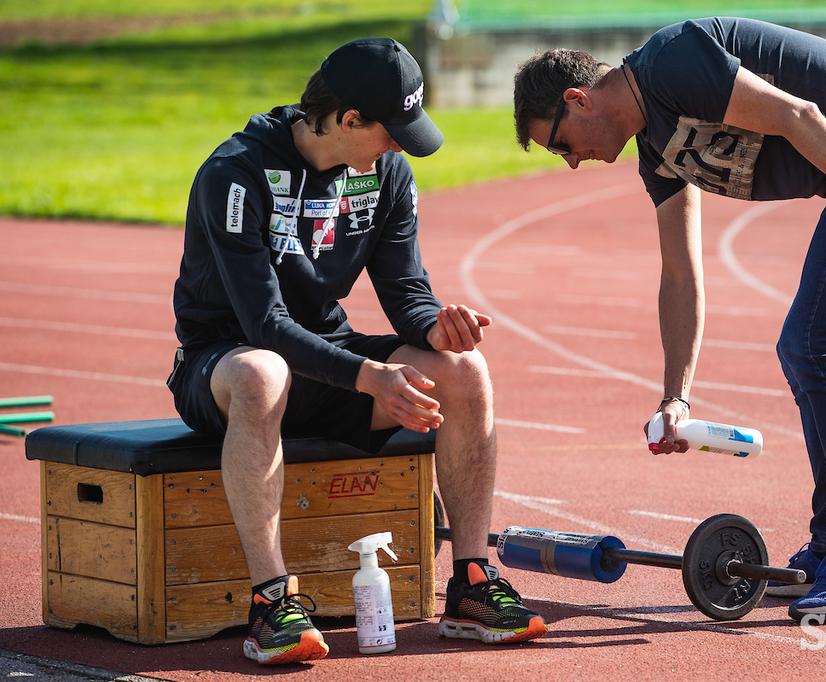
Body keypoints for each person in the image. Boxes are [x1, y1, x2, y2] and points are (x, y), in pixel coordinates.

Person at [513, 18, 826, 621]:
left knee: (814, 342)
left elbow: (800, 117)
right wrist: (677, 398)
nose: (569, 163)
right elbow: (680, 275)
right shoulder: (657, 152)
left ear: (577, 99)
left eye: (559, 143)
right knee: (806, 345)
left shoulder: (670, 62)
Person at [169, 37, 547, 665]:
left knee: (465, 372)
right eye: (391, 131)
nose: (400, 146)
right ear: (348, 120)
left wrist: (437, 328)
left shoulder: (389, 173)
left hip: (325, 358)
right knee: (264, 373)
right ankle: (271, 604)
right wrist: (370, 376)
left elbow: (405, 290)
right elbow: (263, 324)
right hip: (226, 362)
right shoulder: (233, 174)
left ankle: (472, 584)